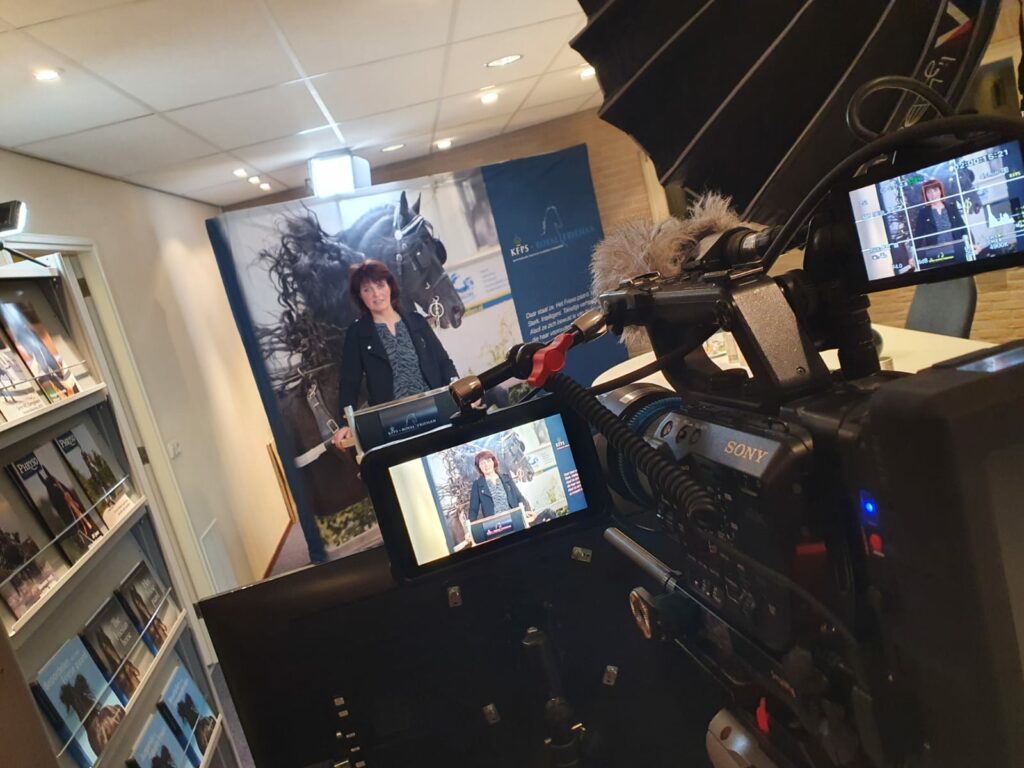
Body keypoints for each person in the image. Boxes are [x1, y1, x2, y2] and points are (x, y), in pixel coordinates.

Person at [332, 260, 457, 447]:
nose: (376, 294)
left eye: (380, 285)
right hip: (393, 426)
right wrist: (345, 424)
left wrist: (461, 392)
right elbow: (349, 383)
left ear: (390, 286)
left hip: (436, 412)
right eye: (367, 289)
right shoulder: (357, 333)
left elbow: (444, 363)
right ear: (360, 296)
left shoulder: (417, 322)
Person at [467, 449, 532, 525]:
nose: (486, 465)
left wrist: (526, 511)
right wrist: (471, 527)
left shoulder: (507, 478)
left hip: (515, 518)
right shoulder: (477, 485)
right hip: (495, 525)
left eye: (488, 461)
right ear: (479, 467)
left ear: (493, 462)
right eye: (482, 463)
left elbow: (519, 497)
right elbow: (473, 510)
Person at [913, 180, 970, 265]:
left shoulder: (952, 208)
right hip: (936, 255)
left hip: (957, 250)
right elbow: (918, 237)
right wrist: (913, 256)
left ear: (940, 191)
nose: (933, 195)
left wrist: (970, 245)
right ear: (925, 195)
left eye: (935, 190)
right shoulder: (923, 213)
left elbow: (963, 228)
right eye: (929, 192)